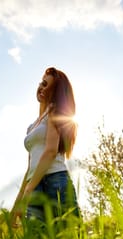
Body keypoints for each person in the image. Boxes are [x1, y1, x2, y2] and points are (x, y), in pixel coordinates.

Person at [11, 67, 80, 227]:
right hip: (34, 184)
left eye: (49, 86)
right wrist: (18, 202)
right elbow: (30, 168)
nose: (43, 88)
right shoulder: (31, 127)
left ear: (56, 92)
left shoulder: (55, 113)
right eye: (42, 83)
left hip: (56, 181)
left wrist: (28, 191)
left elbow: (50, 152)